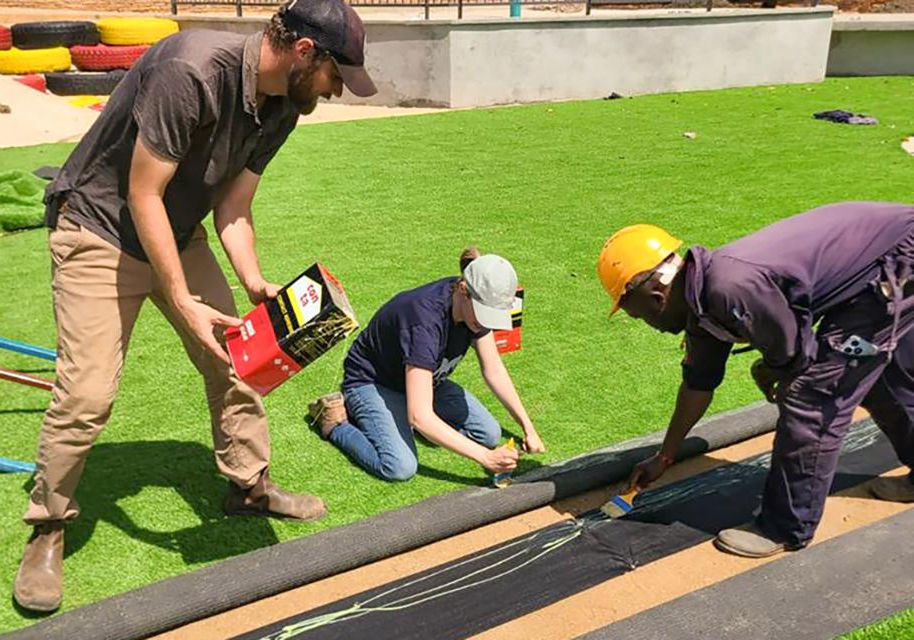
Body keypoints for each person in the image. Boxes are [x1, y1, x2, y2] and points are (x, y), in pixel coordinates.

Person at [13, 0, 377, 613]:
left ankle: (249, 487)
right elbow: (142, 192)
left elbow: (233, 206)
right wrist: (181, 296)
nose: (338, 90)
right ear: (305, 52)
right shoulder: (192, 70)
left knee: (241, 359)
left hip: (177, 232)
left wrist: (256, 283)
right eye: (336, 75)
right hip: (98, 231)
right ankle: (48, 526)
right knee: (87, 395)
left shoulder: (287, 102)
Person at [597, 202, 914, 558]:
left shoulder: (729, 288)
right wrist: (665, 456)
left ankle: (786, 527)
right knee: (878, 376)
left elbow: (796, 358)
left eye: (639, 316)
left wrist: (775, 367)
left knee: (813, 395)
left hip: (897, 260)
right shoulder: (701, 305)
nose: (647, 325)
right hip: (875, 264)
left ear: (656, 297)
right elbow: (698, 385)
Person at [308, 249, 545, 481]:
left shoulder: (473, 307)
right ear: (463, 290)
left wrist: (528, 428)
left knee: (488, 434)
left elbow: (494, 370)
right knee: (400, 466)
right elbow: (419, 416)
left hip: (424, 379)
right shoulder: (424, 323)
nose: (486, 323)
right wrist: (485, 458)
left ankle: (405, 419)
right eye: (485, 314)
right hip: (372, 382)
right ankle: (334, 422)